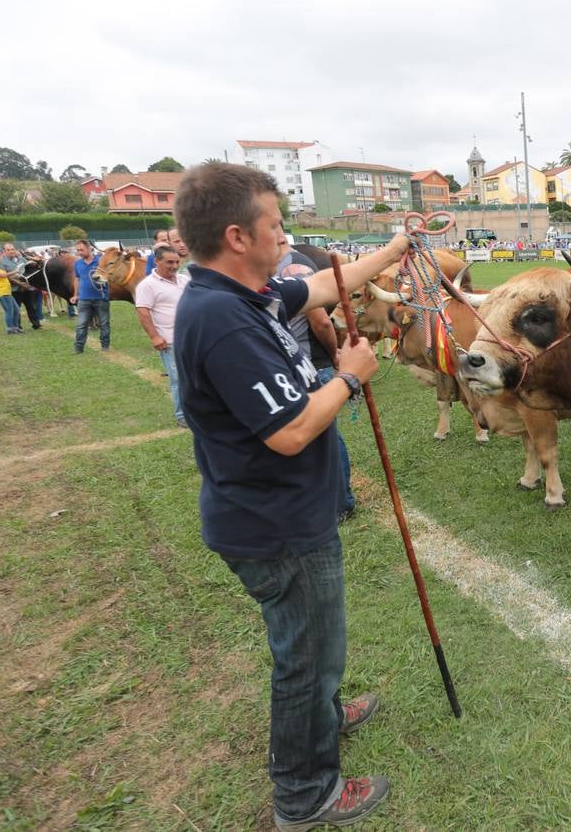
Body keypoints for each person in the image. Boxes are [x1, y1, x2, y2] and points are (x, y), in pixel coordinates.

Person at [172, 163, 413, 830]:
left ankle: (325, 717)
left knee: (316, 647)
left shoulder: (244, 294)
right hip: (274, 524)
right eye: (275, 225)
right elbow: (290, 431)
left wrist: (393, 251)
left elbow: (311, 288)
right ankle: (306, 795)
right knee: (305, 657)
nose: (285, 235)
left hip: (280, 513)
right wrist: (351, 377)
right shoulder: (221, 319)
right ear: (236, 236)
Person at [277, 235, 355, 521]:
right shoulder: (270, 267)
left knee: (324, 434)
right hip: (291, 363)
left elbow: (320, 320)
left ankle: (341, 503)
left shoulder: (293, 266)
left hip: (310, 361)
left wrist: (334, 355)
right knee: (307, 432)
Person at [134, 245, 190, 425]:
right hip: (170, 340)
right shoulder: (147, 285)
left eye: (176, 262)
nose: (174, 266)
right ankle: (182, 416)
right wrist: (155, 337)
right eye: (169, 262)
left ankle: (198, 411)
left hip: (191, 338)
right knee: (178, 379)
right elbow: (143, 312)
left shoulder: (184, 280)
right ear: (157, 261)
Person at [70, 239, 111, 352]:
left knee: (104, 323)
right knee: (81, 324)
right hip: (84, 299)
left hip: (101, 298)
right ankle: (78, 348)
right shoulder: (78, 263)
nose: (79, 252)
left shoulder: (101, 262)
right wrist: (75, 295)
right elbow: (77, 279)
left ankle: (105, 346)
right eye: (77, 250)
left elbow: (109, 277)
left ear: (89, 249)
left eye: (81, 250)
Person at [1, 242, 42, 330]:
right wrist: (20, 283)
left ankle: (36, 324)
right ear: (4, 251)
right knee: (16, 308)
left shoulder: (22, 259)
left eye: (12, 249)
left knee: (31, 306)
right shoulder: (2, 262)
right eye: (8, 250)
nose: (11, 251)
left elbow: (30, 269)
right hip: (15, 289)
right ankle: (17, 326)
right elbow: (5, 276)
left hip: (27, 288)